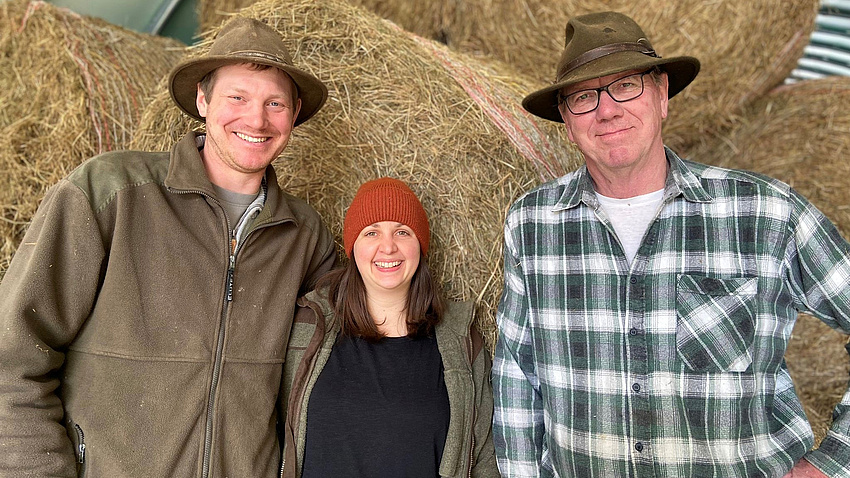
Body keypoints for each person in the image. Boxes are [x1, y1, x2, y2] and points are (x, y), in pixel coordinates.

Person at [492, 11, 850, 478]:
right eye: (584, 97)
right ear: (565, 117)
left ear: (662, 95)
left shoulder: (766, 213)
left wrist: (831, 462)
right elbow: (518, 374)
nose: (606, 110)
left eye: (626, 86)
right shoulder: (532, 224)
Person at [0, 17, 336, 477]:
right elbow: (13, 358)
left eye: (273, 103)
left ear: (294, 114)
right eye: (237, 97)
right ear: (203, 100)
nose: (256, 119)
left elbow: (336, 363)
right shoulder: (111, 193)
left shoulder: (305, 235)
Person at [278, 177, 500, 477]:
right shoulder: (306, 326)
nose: (388, 247)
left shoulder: (461, 341)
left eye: (402, 232)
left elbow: (485, 456)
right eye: (371, 233)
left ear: (420, 246)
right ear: (352, 247)